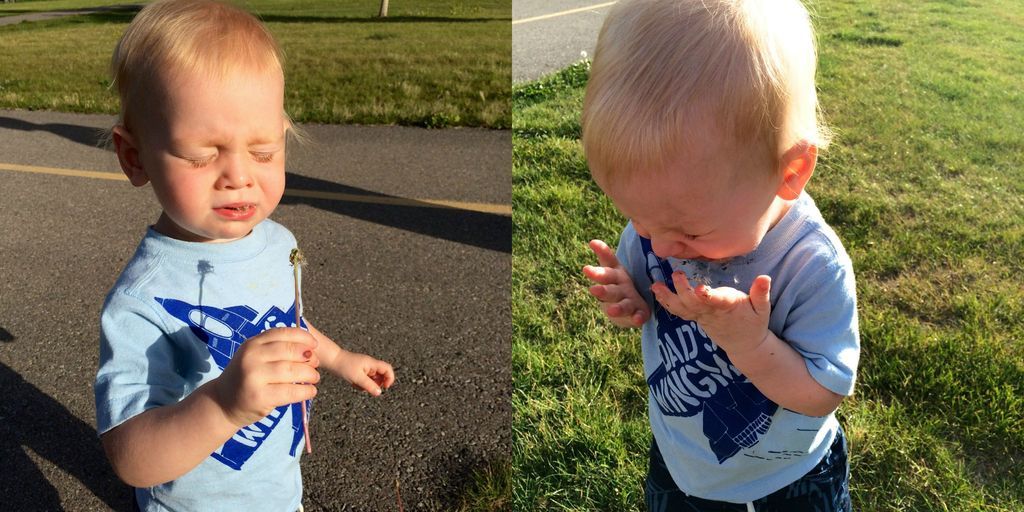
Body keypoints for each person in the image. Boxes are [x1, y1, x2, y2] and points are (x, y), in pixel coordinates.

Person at [94, 1, 395, 510]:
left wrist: (338, 358)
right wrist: (224, 406)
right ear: (134, 156)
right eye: (202, 154)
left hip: (277, 489)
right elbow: (130, 456)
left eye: (263, 151)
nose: (240, 176)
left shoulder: (274, 240)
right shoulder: (142, 300)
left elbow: (281, 322)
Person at [581, 0, 859, 510]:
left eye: (689, 233)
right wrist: (632, 296)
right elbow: (648, 299)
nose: (660, 247)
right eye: (640, 221)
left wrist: (749, 344)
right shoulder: (663, 222)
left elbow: (824, 393)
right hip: (680, 459)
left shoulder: (810, 264)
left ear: (790, 173)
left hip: (785, 480)